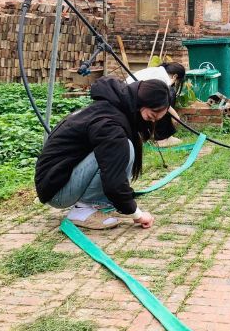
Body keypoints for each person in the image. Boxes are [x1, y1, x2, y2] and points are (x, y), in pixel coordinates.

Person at [35, 77, 172, 230]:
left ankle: (100, 204)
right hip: (57, 191)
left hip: (59, 180)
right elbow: (113, 178)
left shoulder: (113, 106)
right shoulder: (110, 124)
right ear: (141, 102)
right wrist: (137, 214)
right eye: (151, 116)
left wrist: (126, 205)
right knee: (122, 148)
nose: (151, 122)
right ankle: (82, 210)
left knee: (123, 149)